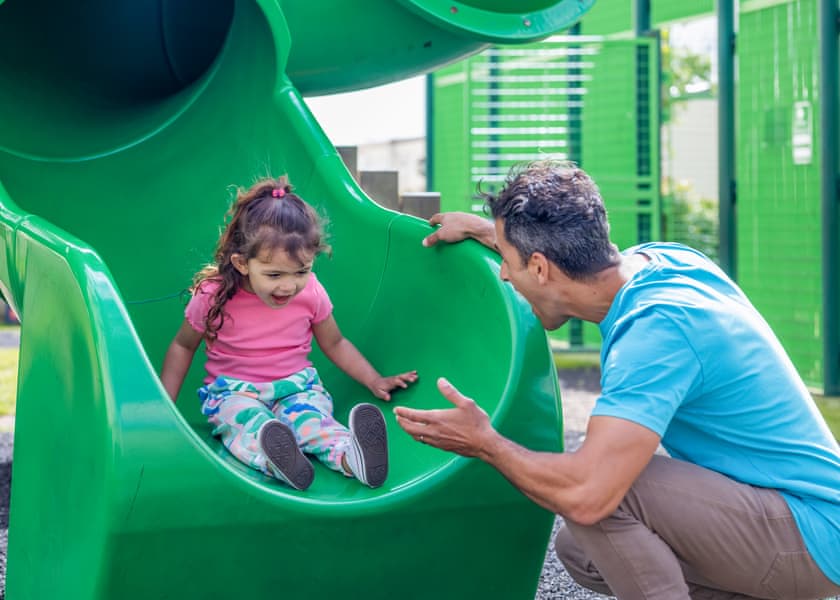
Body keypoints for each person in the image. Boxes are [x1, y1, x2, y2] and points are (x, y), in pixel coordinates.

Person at [394, 160, 840, 600]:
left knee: (601, 495)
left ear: (541, 267)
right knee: (580, 550)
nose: (505, 275)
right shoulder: (665, 261)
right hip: (791, 516)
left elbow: (589, 493)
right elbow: (574, 267)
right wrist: (488, 233)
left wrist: (485, 443)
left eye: (510, 263)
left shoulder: (659, 331)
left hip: (811, 537)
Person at [161, 176, 417, 490]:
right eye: (274, 274)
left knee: (315, 424)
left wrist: (373, 379)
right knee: (246, 424)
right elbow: (183, 346)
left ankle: (353, 458)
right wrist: (165, 407)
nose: (288, 285)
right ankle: (277, 459)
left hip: (296, 387)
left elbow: (335, 342)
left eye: (301, 271)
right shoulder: (214, 295)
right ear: (242, 263)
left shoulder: (310, 291)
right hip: (234, 391)